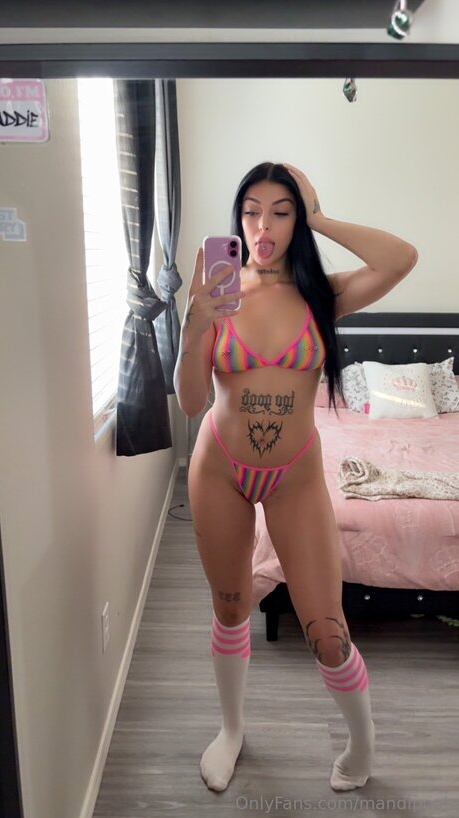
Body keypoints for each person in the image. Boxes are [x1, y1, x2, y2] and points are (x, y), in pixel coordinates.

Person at [173, 161, 418, 793]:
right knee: (231, 608)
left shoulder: (321, 295)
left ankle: (362, 743)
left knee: (327, 632)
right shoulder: (218, 293)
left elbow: (401, 258)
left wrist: (322, 217)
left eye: (281, 212)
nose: (263, 226)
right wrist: (194, 326)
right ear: (237, 218)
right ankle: (231, 730)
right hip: (219, 471)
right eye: (251, 211)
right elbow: (191, 402)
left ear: (298, 221)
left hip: (296, 477)